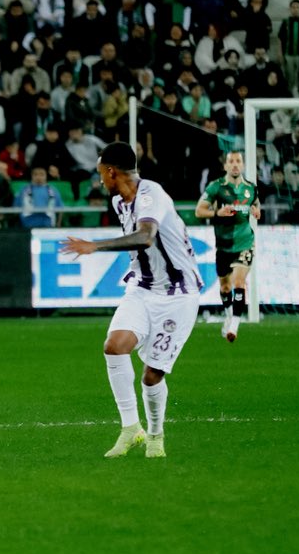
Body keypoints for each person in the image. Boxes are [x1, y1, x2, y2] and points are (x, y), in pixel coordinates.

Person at [59, 142, 203, 459]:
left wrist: (95, 246)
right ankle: (130, 429)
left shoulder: (151, 194)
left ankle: (155, 435)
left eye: (101, 173)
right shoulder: (119, 201)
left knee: (151, 375)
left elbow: (146, 236)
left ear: (111, 171)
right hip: (142, 288)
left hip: (177, 294)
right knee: (114, 346)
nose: (99, 180)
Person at [195, 150, 261, 342]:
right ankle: (229, 314)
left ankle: (234, 325)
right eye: (231, 161)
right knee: (225, 287)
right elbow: (199, 211)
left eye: (238, 161)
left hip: (245, 242)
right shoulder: (216, 187)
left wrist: (256, 210)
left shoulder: (251, 188)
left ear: (243, 165)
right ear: (225, 166)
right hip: (223, 246)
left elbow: (256, 204)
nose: (235, 164)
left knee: (239, 283)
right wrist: (217, 213)